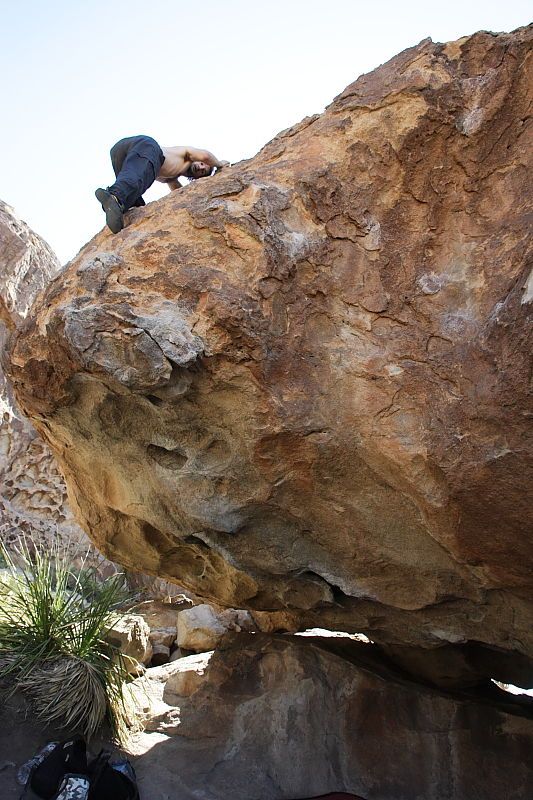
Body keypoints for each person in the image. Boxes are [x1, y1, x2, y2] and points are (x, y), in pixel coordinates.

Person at [95, 135, 230, 233]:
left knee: (135, 195)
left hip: (122, 152)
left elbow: (178, 194)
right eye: (202, 165)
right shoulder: (187, 155)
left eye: (202, 172)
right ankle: (115, 196)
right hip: (147, 147)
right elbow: (206, 156)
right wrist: (219, 164)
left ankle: (116, 208)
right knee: (133, 180)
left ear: (196, 178)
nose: (201, 167)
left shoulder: (172, 176)